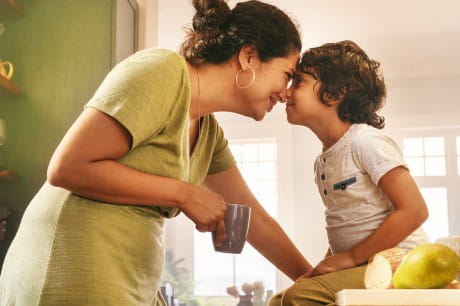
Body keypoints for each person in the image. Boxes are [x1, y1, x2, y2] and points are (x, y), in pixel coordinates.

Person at [0, 1, 312, 305]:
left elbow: (256, 221)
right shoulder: (163, 72)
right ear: (249, 56)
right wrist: (185, 194)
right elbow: (66, 167)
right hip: (71, 266)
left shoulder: (209, 133)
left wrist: (316, 283)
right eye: (287, 74)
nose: (286, 93)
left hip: (128, 277)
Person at [270, 40, 429, 305]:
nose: (285, 93)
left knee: (299, 298)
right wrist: (328, 264)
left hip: (401, 263)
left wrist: (352, 257)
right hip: (364, 264)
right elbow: (346, 222)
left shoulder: (365, 141)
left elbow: (415, 210)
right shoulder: (323, 161)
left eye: (298, 82)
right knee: (280, 301)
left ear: (335, 94)